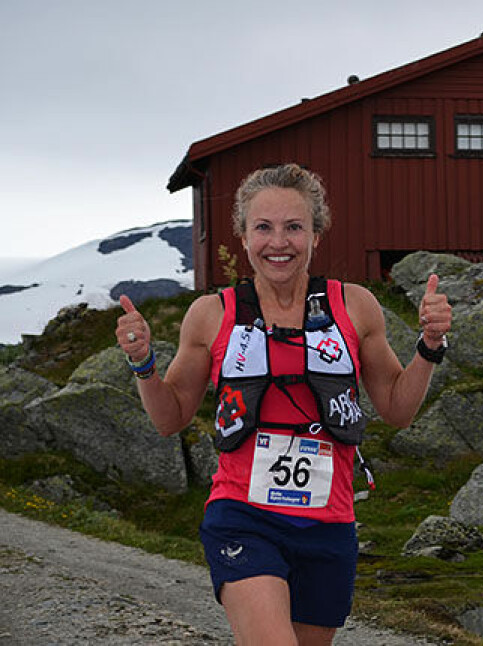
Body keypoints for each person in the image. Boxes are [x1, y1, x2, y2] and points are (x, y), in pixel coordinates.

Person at [115, 163, 452, 645]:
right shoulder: (211, 314)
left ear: (316, 234)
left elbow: (398, 409)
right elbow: (170, 419)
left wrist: (430, 345)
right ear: (243, 237)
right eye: (263, 228)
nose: (279, 242)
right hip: (243, 517)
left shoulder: (354, 306)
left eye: (294, 227)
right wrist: (144, 362)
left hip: (329, 525)